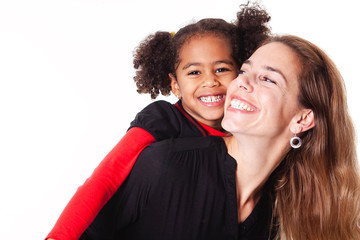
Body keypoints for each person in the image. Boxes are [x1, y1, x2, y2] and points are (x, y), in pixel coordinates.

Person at [79, 35, 360, 239]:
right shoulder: (165, 165)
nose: (241, 83)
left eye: (268, 79)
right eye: (245, 70)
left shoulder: (281, 210)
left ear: (302, 119)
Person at [46, 3, 271, 240]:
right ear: (175, 84)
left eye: (222, 69)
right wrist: (60, 237)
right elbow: (108, 176)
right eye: (194, 72)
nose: (209, 81)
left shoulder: (249, 131)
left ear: (241, 74)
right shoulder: (163, 119)